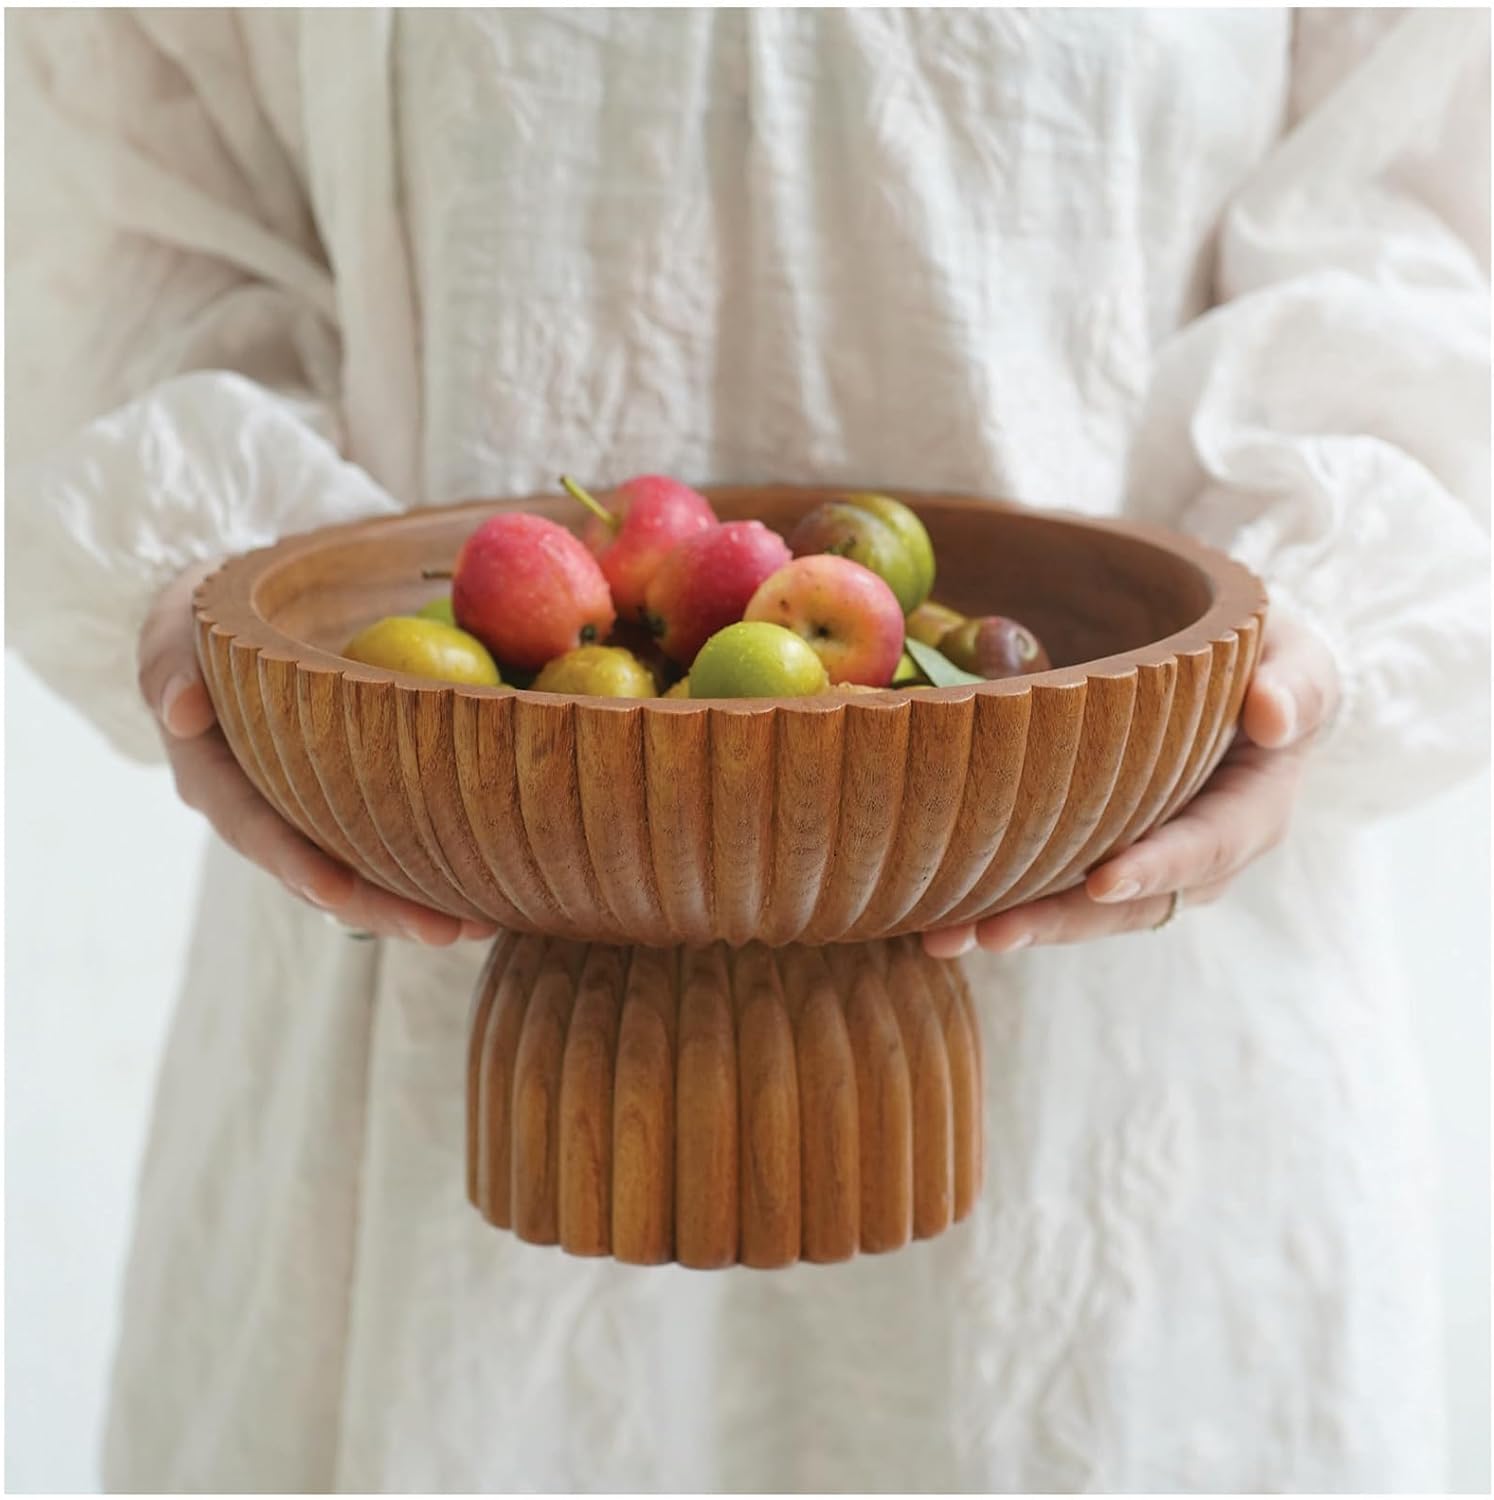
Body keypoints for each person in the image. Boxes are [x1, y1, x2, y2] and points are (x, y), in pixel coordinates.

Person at [7, 9, 1488, 1493]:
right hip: (418, 1005)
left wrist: (1322, 607)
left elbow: (1408, 211)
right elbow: (123, 213)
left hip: (1125, 1053)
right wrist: (203, 568)